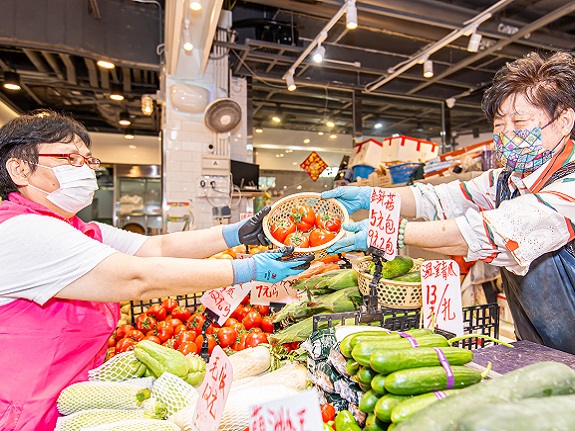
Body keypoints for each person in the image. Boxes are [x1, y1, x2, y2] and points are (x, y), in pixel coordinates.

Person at [0, 110, 312, 431]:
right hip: (28, 410)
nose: (84, 170)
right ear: (20, 168)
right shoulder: (21, 230)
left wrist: (236, 234)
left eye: (88, 161)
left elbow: (157, 248)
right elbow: (137, 278)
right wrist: (248, 269)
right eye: (70, 158)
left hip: (73, 399)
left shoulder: (80, 228)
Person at [323, 51, 575, 355]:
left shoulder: (570, 187)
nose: (507, 134)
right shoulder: (504, 181)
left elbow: (487, 233)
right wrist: (370, 196)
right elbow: (437, 198)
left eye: (520, 122)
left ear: (564, 121)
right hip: (539, 353)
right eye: (499, 124)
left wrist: (391, 233)